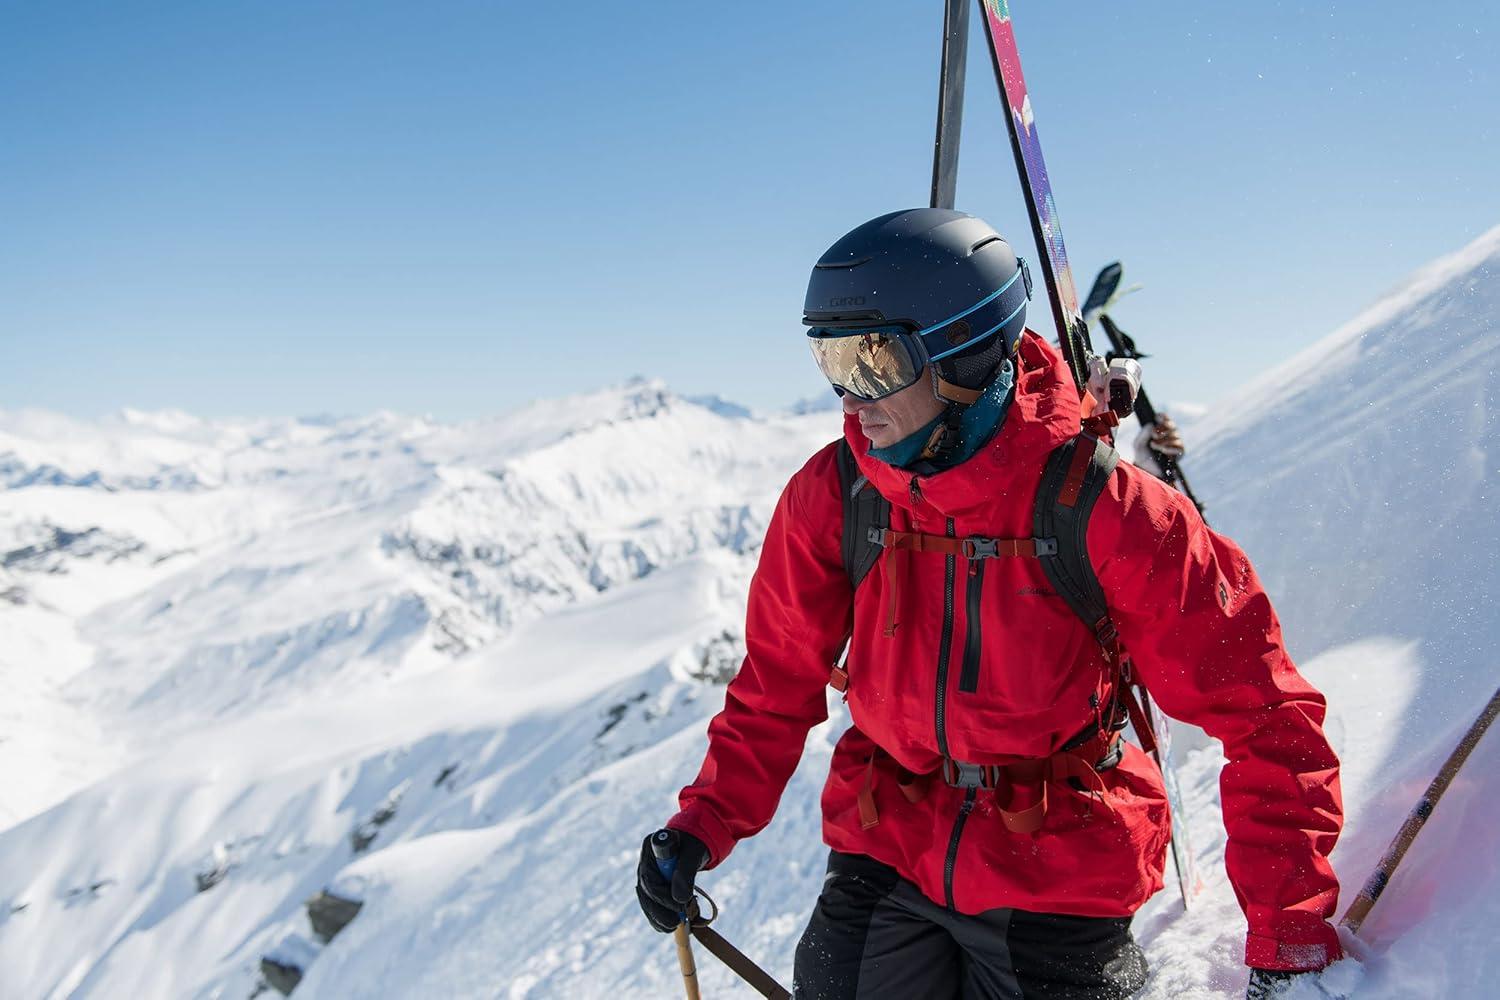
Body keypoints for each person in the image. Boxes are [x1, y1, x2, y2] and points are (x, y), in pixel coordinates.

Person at [635, 208, 1343, 999]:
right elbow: (775, 684)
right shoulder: (837, 495)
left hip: (1062, 863)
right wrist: (704, 822)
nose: (850, 398)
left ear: (962, 353)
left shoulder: (1111, 512)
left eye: (872, 361)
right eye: (830, 361)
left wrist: (1288, 934)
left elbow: (1266, 716)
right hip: (889, 842)